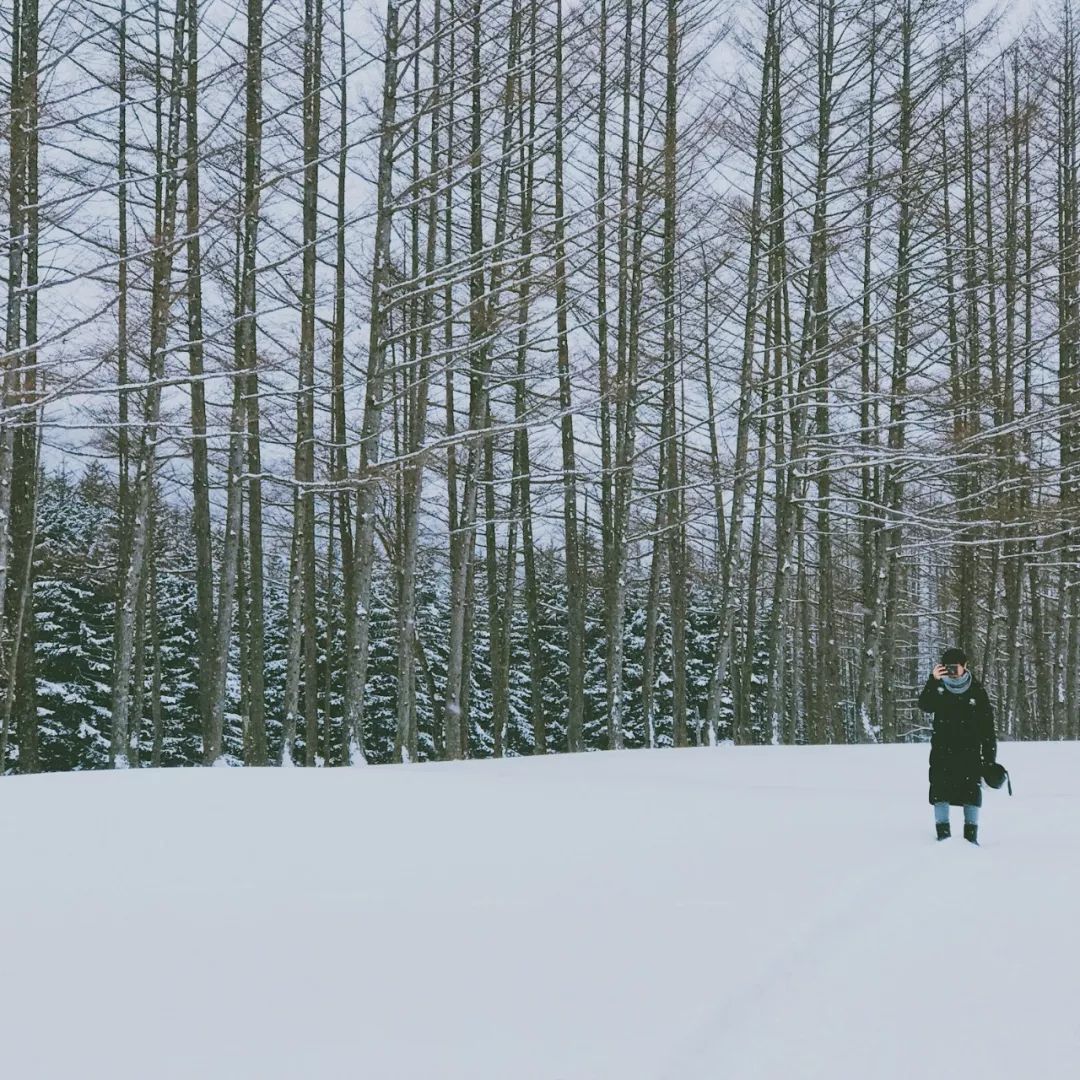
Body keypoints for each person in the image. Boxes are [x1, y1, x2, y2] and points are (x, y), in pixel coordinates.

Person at [916, 647, 997, 844]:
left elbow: (987, 727)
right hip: (942, 750)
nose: (952, 671)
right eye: (948, 667)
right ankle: (942, 836)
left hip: (969, 751)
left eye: (956, 667)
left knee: (970, 791)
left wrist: (989, 759)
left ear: (965, 666)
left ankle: (971, 837)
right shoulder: (939, 687)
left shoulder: (976, 690)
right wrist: (932, 680)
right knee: (940, 790)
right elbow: (925, 705)